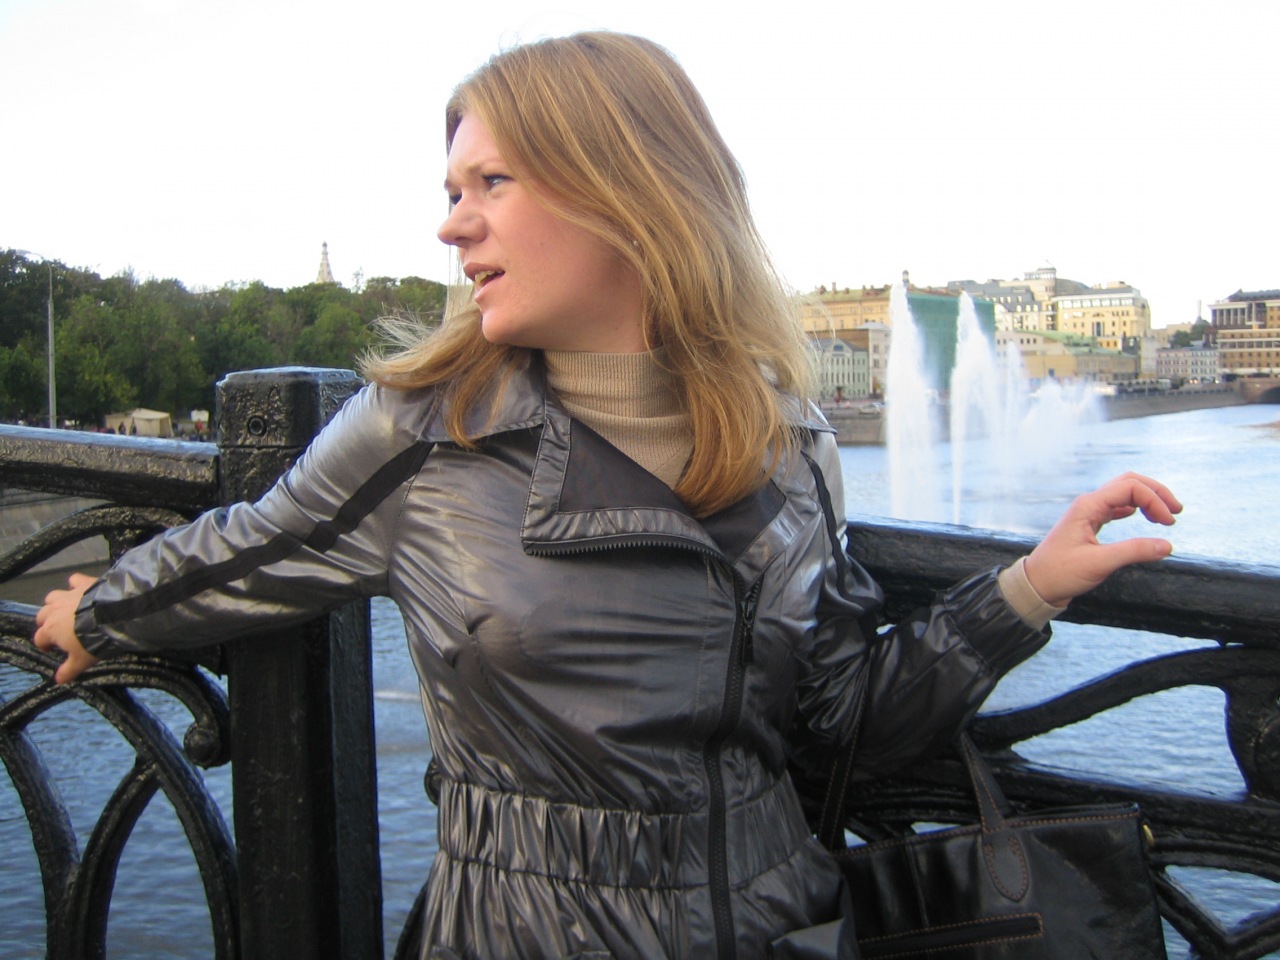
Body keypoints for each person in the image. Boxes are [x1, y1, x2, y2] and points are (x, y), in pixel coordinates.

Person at [33, 31, 1181, 960]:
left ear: (623, 190)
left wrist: (1024, 590)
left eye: (491, 181)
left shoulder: (786, 436)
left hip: (783, 926)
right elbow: (252, 548)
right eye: (451, 188)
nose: (450, 223)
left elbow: (838, 723)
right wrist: (104, 611)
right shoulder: (425, 430)